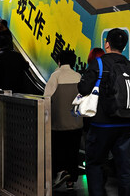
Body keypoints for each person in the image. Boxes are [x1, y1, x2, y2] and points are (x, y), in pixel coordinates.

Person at [78, 28, 130, 196]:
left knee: (95, 164)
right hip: (128, 123)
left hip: (103, 124)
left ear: (107, 44)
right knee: (126, 169)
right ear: (123, 46)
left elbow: (84, 88)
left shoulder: (99, 63)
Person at [44, 50, 83, 190]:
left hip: (58, 124)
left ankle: (60, 173)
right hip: (76, 123)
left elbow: (46, 98)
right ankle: (71, 181)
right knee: (73, 151)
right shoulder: (78, 76)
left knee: (58, 151)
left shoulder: (56, 76)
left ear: (59, 61)